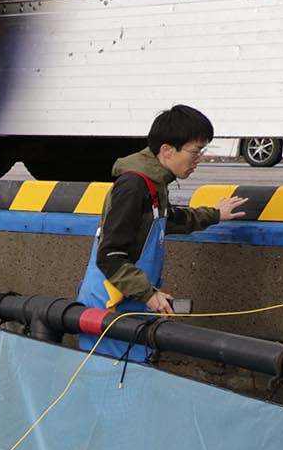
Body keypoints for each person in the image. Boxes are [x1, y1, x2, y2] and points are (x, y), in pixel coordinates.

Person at [76, 105, 246, 361]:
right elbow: (110, 255)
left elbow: (171, 219)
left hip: (131, 305)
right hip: (110, 308)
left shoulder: (154, 184)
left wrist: (215, 214)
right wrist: (150, 295)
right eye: (195, 151)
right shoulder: (133, 187)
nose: (199, 159)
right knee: (111, 376)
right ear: (167, 150)